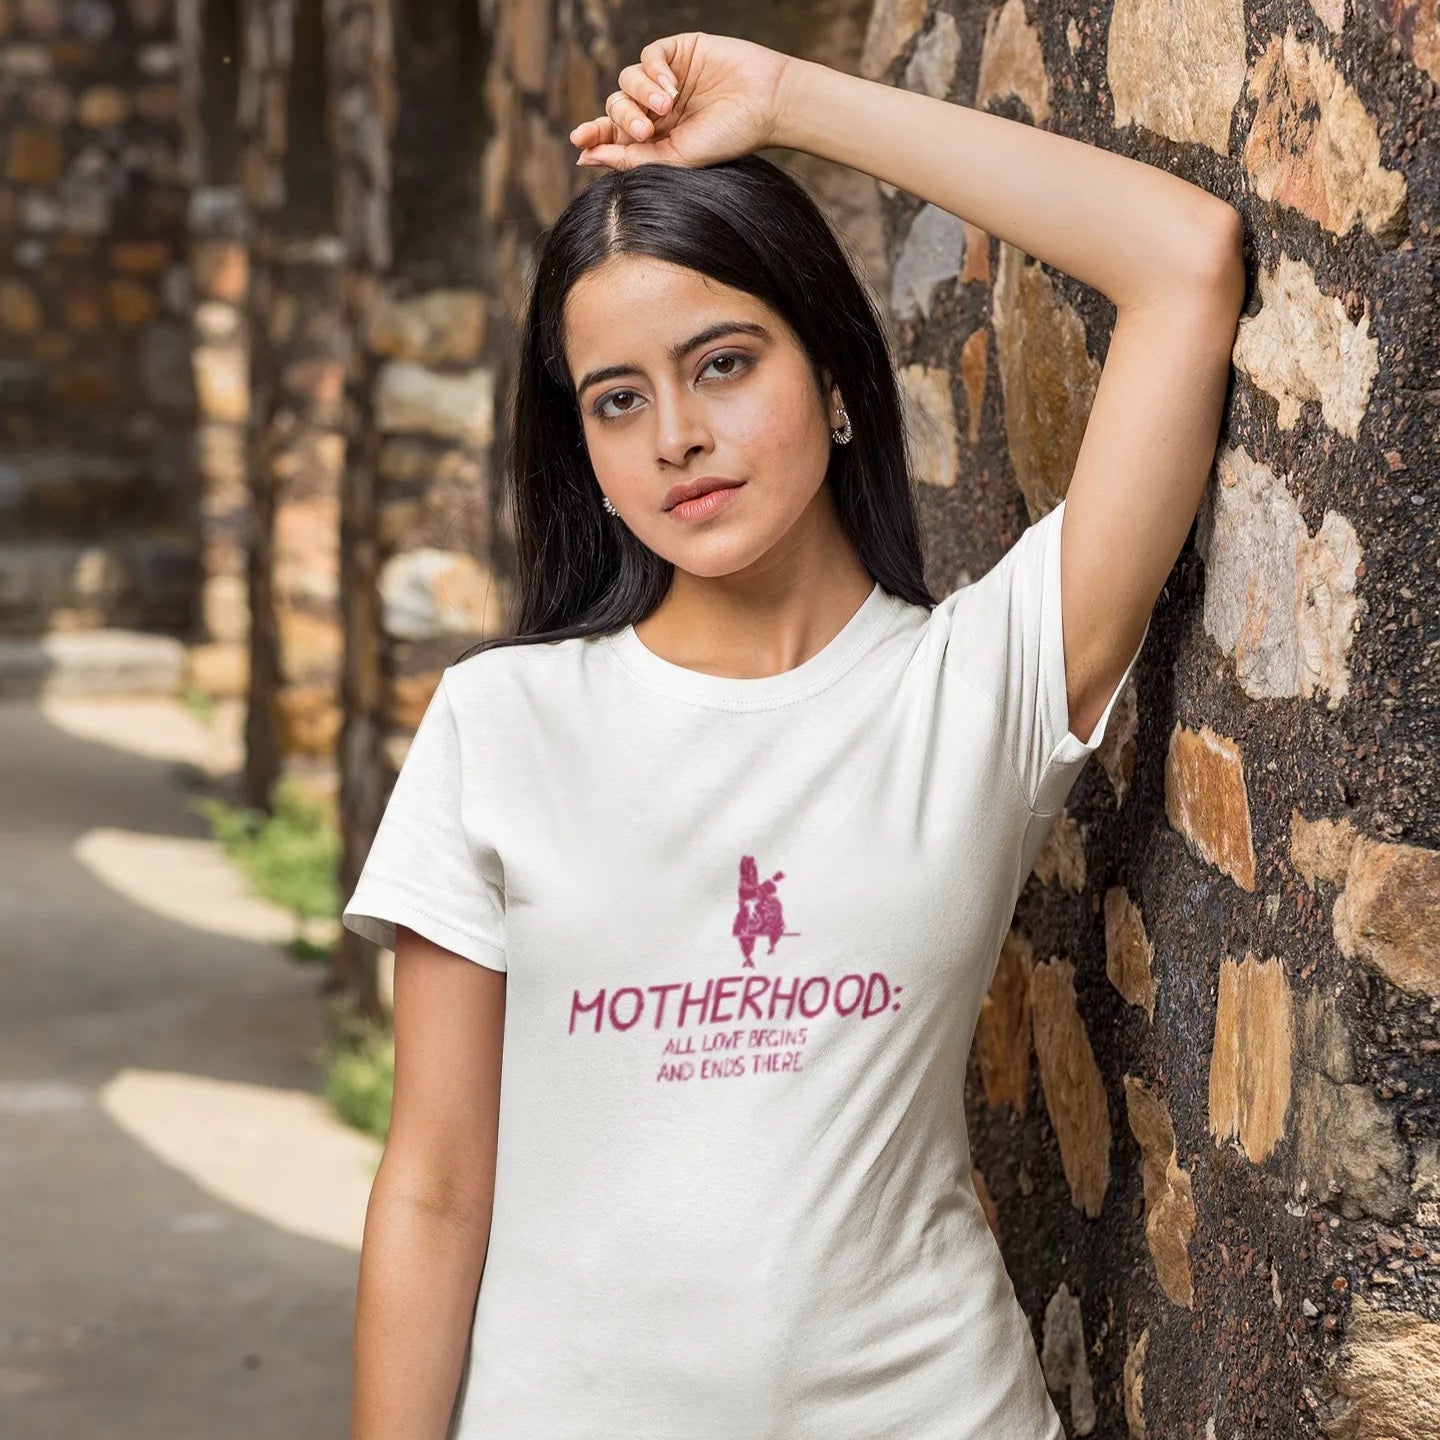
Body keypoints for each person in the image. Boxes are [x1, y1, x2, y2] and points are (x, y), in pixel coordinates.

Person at [342, 30, 1245, 1440]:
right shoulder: (502, 722)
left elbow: (1184, 258)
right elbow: (435, 1185)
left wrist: (794, 103)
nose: (676, 437)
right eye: (617, 399)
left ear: (834, 377)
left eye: (724, 363)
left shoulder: (978, 684)